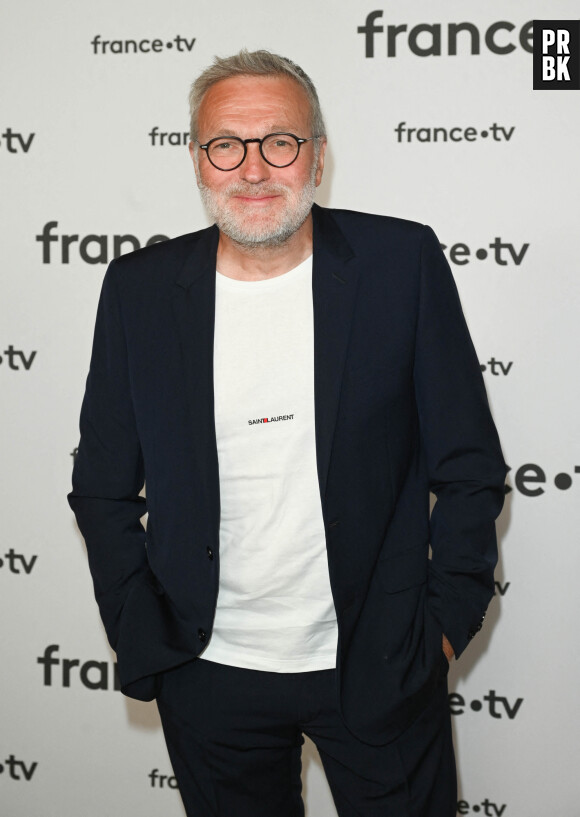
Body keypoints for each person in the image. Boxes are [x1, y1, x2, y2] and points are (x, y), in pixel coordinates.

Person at [68, 49, 507, 817]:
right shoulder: (139, 289)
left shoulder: (399, 263)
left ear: (317, 155)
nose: (254, 168)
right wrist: (144, 631)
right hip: (206, 671)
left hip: (380, 662)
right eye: (226, 145)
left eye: (280, 142)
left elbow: (469, 464)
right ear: (199, 161)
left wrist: (441, 630)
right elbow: (102, 484)